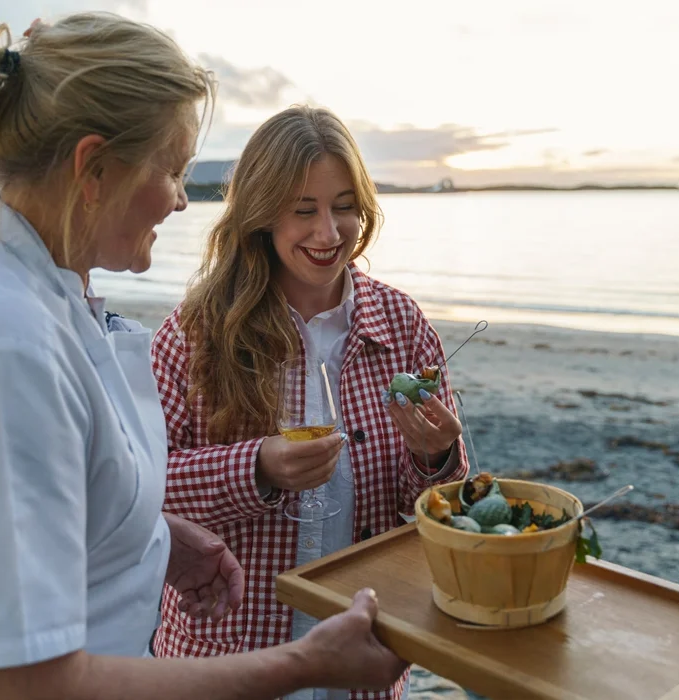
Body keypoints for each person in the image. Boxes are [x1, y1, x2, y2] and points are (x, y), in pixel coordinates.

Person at [0, 14, 407, 700]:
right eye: (174, 169)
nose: (184, 200)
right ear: (93, 168)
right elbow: (26, 684)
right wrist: (305, 665)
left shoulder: (40, 291)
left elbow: (30, 503)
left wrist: (148, 539)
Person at [149, 105, 471, 700]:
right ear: (261, 214)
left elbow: (433, 510)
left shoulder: (401, 325)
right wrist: (256, 467)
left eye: (344, 206)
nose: (329, 233)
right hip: (223, 664)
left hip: (361, 672)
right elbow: (140, 489)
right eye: (304, 211)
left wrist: (436, 458)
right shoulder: (192, 335)